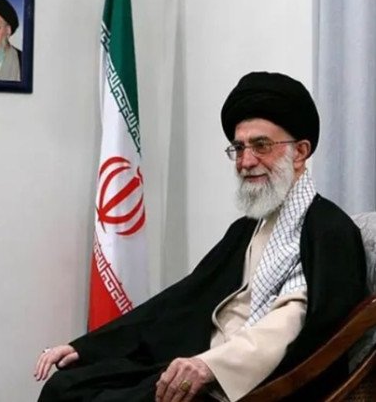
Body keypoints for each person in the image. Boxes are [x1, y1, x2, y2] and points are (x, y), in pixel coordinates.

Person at [34, 72, 367, 402]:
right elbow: (181, 302)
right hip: (198, 363)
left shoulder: (328, 231)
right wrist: (90, 347)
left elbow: (290, 323)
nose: (246, 161)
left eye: (261, 146)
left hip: (249, 383)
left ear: (300, 152)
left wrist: (211, 366)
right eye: (239, 148)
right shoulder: (247, 228)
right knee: (66, 386)